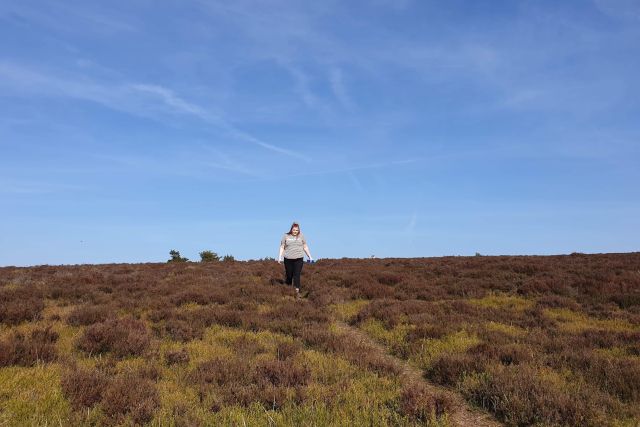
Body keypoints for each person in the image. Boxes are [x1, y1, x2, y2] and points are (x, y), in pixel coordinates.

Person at [278, 222, 313, 295]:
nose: (295, 231)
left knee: (297, 275)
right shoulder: (286, 236)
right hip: (288, 258)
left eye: (297, 230)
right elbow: (282, 247)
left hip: (299, 258)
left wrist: (310, 256)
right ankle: (288, 290)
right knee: (289, 275)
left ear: (298, 230)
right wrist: (279, 257)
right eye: (294, 230)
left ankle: (297, 292)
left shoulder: (301, 236)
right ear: (291, 229)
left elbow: (305, 247)